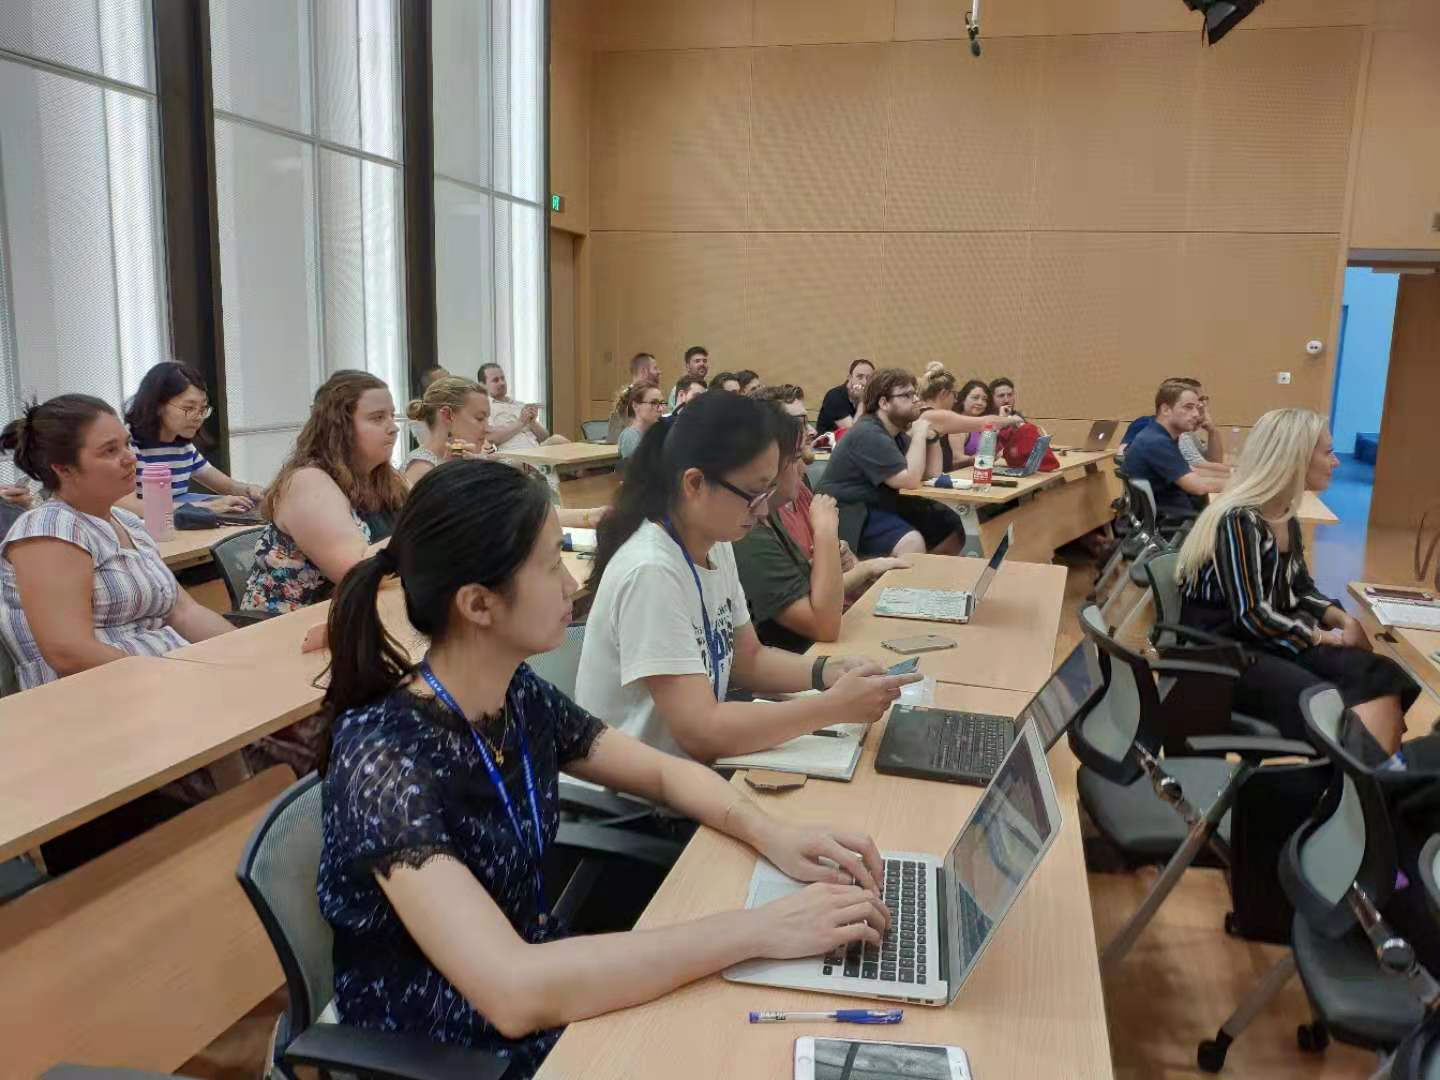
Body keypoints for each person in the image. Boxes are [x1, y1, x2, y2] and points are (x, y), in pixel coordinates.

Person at [316, 459, 891, 1075]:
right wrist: (759, 929)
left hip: (542, 974)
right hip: (452, 1039)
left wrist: (774, 834)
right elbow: (512, 991)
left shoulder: (515, 695)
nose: (572, 583)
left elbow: (664, 774)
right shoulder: (382, 760)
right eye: (550, 566)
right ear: (479, 604)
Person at [576, 390, 918, 761]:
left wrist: (827, 671)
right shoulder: (651, 571)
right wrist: (833, 706)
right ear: (694, 484)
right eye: (753, 494)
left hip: (688, 770)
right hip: (638, 787)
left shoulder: (715, 543)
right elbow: (702, 731)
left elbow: (747, 658)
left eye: (769, 490)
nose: (763, 511)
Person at [1176, 408, 1416, 754]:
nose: (1336, 461)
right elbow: (1252, 615)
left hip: (1266, 637)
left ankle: (1372, 780)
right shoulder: (1239, 520)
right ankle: (1363, 777)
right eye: (1328, 452)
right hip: (1224, 650)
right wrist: (1323, 637)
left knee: (1379, 674)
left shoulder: (1283, 514)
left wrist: (1344, 620)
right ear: (1296, 457)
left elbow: (1300, 587)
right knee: (1328, 698)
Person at [0, 395, 234, 690]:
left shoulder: (128, 523)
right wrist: (171, 677)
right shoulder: (49, 528)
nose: (130, 457)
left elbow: (184, 612)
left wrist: (243, 651)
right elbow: (69, 652)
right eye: (110, 450)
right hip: (100, 697)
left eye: (126, 444)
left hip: (166, 679)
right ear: (63, 469)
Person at [733, 404, 908, 652]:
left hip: (814, 655)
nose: (804, 467)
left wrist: (848, 564)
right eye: (795, 458)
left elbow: (811, 588)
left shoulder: (769, 516)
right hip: (806, 655)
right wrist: (826, 531)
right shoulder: (750, 534)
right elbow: (824, 626)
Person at [242, 370, 408, 615]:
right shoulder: (308, 481)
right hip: (292, 625)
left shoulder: (384, 478)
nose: (393, 428)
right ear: (340, 428)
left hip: (361, 613)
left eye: (391, 416)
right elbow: (358, 572)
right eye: (377, 418)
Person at [816, 368, 961, 558]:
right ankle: (892, 575)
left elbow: (931, 474)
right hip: (848, 512)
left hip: (879, 505)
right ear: (884, 403)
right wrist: (919, 433)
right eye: (906, 395)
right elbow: (910, 481)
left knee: (950, 525)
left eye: (914, 394)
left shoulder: (895, 433)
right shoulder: (868, 433)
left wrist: (932, 437)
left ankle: (921, 573)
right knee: (911, 542)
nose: (915, 400)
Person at [121, 362, 263, 511]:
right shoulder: (128, 445)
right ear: (157, 406)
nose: (198, 417)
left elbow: (227, 486)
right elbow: (130, 506)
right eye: (189, 408)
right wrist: (206, 507)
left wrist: (249, 490)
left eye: (202, 409)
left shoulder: (184, 447)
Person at [1122, 379, 1227, 520]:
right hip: (1175, 522)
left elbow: (1190, 470)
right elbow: (1198, 487)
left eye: (1197, 408)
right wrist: (1243, 485)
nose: (1196, 414)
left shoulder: (1161, 435)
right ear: (1166, 410)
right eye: (1189, 407)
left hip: (1175, 514)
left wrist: (1233, 476)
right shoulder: (1156, 442)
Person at [1119, 376, 1228, 476]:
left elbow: (1213, 463)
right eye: (1191, 405)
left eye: (1201, 401)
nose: (1202, 406)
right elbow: (1122, 456)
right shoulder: (1148, 426)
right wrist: (1232, 473)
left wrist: (1213, 431)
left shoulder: (1186, 432)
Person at [403, 377, 492, 486]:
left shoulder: (461, 460)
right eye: (480, 418)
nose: (488, 428)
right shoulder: (422, 470)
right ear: (447, 415)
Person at [479, 363, 567, 450]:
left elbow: (545, 438)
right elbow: (491, 438)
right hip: (515, 454)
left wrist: (533, 422)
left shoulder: (519, 404)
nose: (502, 383)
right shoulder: (485, 407)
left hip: (537, 449)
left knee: (558, 439)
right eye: (495, 380)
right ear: (482, 385)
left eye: (503, 378)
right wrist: (521, 422)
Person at [606, 352, 661, 444]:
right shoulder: (626, 399)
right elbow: (615, 440)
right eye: (655, 368)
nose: (659, 372)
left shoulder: (645, 395)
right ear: (644, 371)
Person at [917, 365, 961, 472]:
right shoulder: (933, 416)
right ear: (943, 393)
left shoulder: (926, 413)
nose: (956, 400)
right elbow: (982, 423)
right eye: (954, 395)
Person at [817, 358, 874, 436]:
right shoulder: (835, 397)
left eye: (869, 378)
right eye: (859, 377)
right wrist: (862, 401)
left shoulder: (871, 397)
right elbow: (854, 433)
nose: (864, 382)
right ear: (850, 378)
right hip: (830, 443)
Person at [616, 380, 664, 460]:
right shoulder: (630, 436)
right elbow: (640, 467)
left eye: (662, 403)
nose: (661, 409)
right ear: (635, 406)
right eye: (653, 403)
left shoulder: (654, 432)